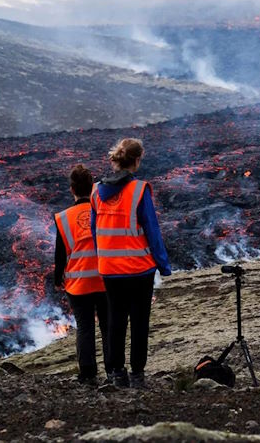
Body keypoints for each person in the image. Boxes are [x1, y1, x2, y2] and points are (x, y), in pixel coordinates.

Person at [90, 138, 171, 388]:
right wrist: (163, 264)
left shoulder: (95, 191)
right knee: (139, 322)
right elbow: (152, 229)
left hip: (110, 270)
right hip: (138, 270)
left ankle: (116, 373)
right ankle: (137, 375)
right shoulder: (139, 190)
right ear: (136, 160)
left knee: (115, 321)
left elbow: (95, 230)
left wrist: (104, 257)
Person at [53, 165, 109, 386]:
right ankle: (113, 368)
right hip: (106, 278)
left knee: (85, 326)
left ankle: (88, 373)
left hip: (78, 283)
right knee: (107, 325)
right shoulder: (103, 211)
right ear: (92, 187)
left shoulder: (64, 217)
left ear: (71, 190)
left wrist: (58, 278)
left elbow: (60, 254)